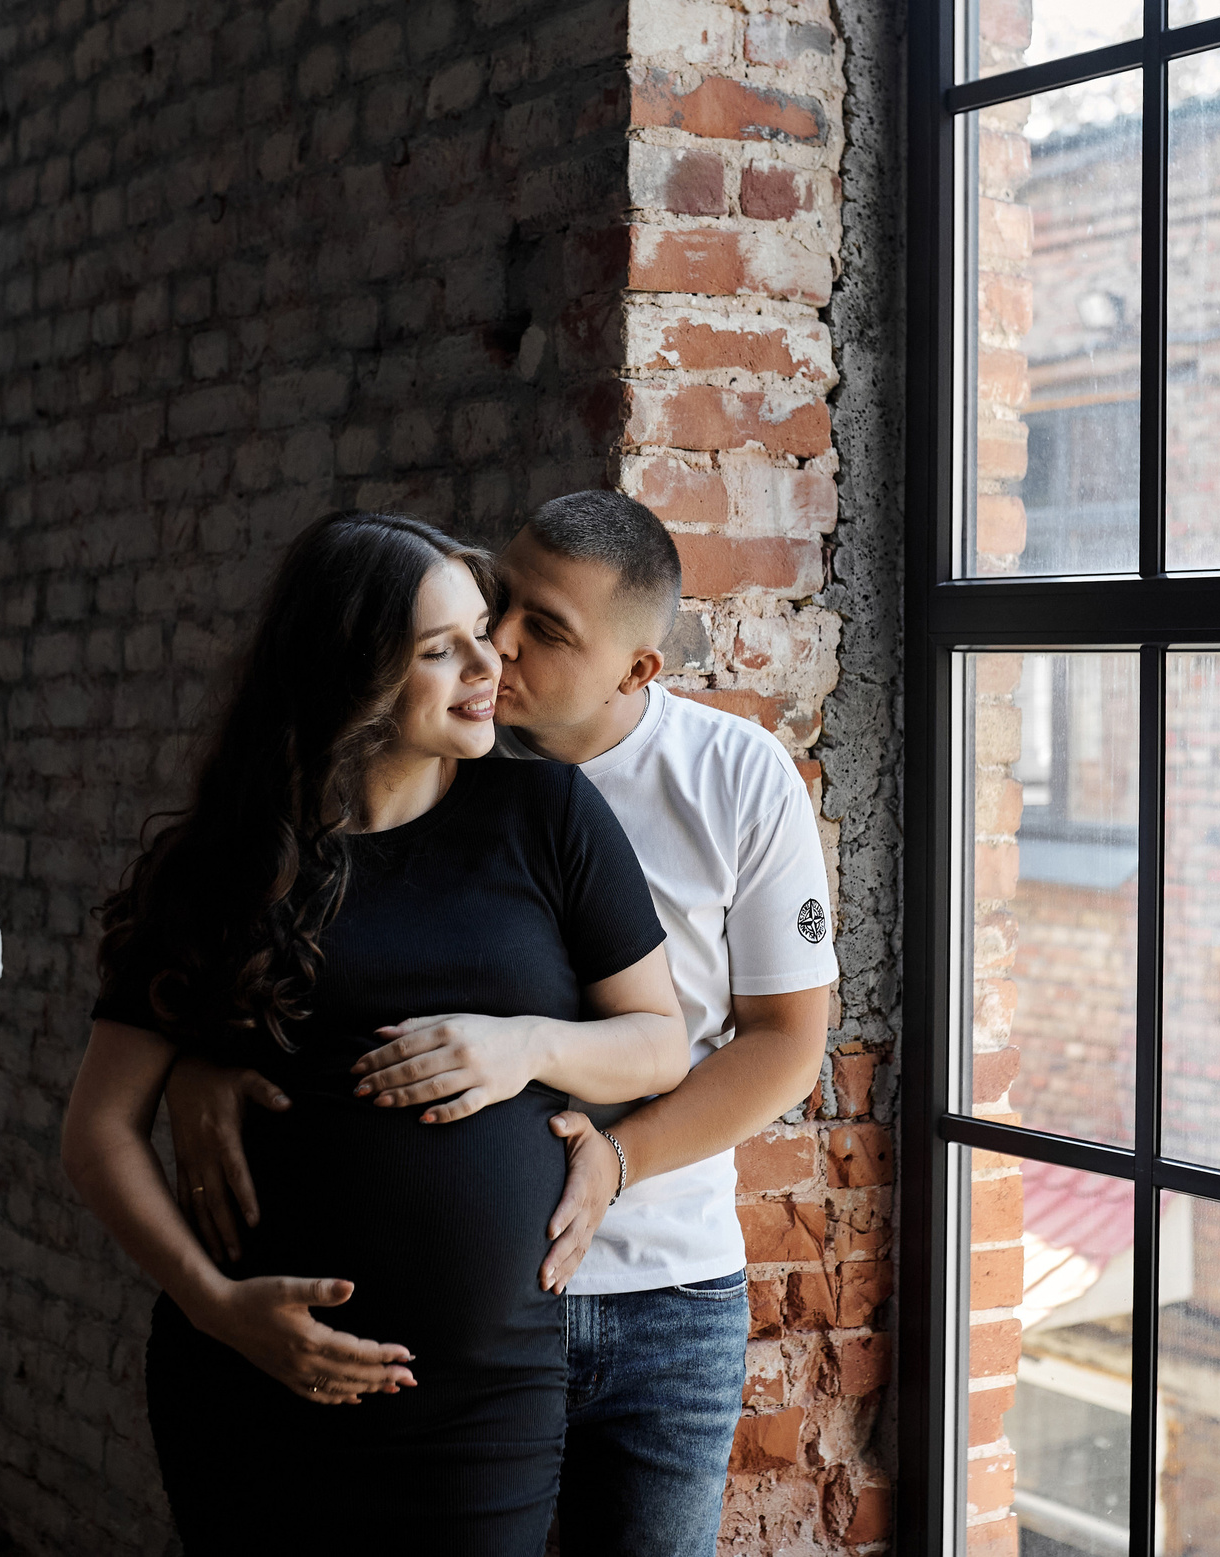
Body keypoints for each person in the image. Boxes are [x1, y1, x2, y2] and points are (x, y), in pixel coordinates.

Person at [167, 490, 837, 1557]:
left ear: (634, 670)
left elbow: (788, 1041)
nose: (503, 644)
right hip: (447, 1318)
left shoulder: (733, 775)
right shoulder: (436, 767)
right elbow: (297, 945)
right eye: (499, 604)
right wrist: (203, 1053)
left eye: (546, 630)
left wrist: (616, 1157)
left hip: (657, 1289)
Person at [59, 510, 692, 1557]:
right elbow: (97, 1131)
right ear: (350, 675)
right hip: (252, 1380)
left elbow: (656, 1041)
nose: (490, 663)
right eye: (441, 648)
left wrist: (525, 1044)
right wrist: (217, 1305)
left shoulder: (546, 813)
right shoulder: (227, 862)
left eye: (482, 630)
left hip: (481, 1399)